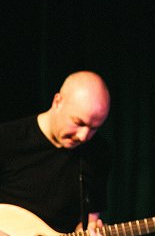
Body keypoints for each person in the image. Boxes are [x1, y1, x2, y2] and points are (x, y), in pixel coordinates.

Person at [0, 71, 111, 235]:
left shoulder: (97, 151)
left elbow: (89, 218)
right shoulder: (7, 139)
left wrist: (88, 229)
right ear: (57, 101)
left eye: (93, 128)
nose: (83, 136)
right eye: (78, 122)